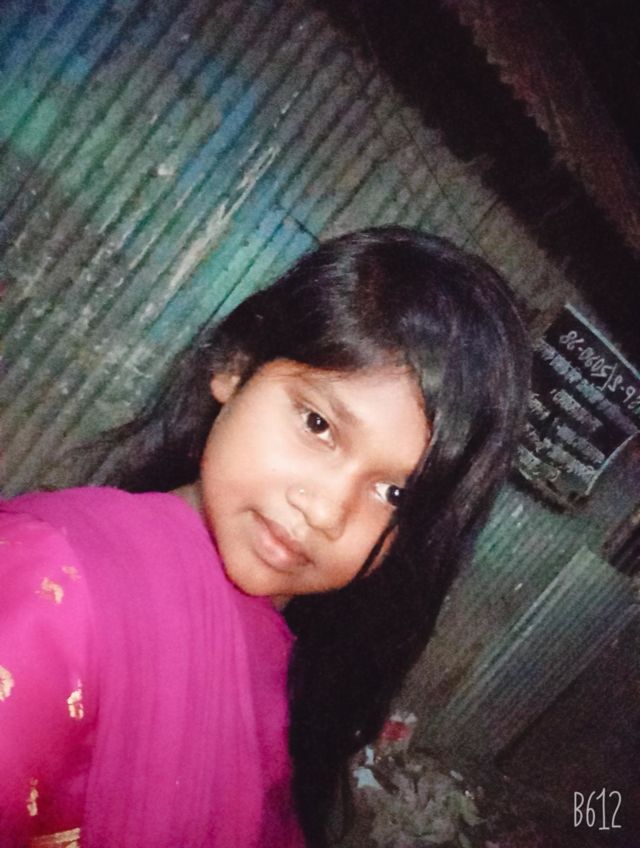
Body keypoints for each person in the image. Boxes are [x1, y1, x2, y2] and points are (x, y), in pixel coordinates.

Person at [0, 226, 530, 848]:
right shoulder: (54, 587)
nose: (326, 511)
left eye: (395, 494)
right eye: (317, 424)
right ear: (237, 365)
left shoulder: (288, 662)